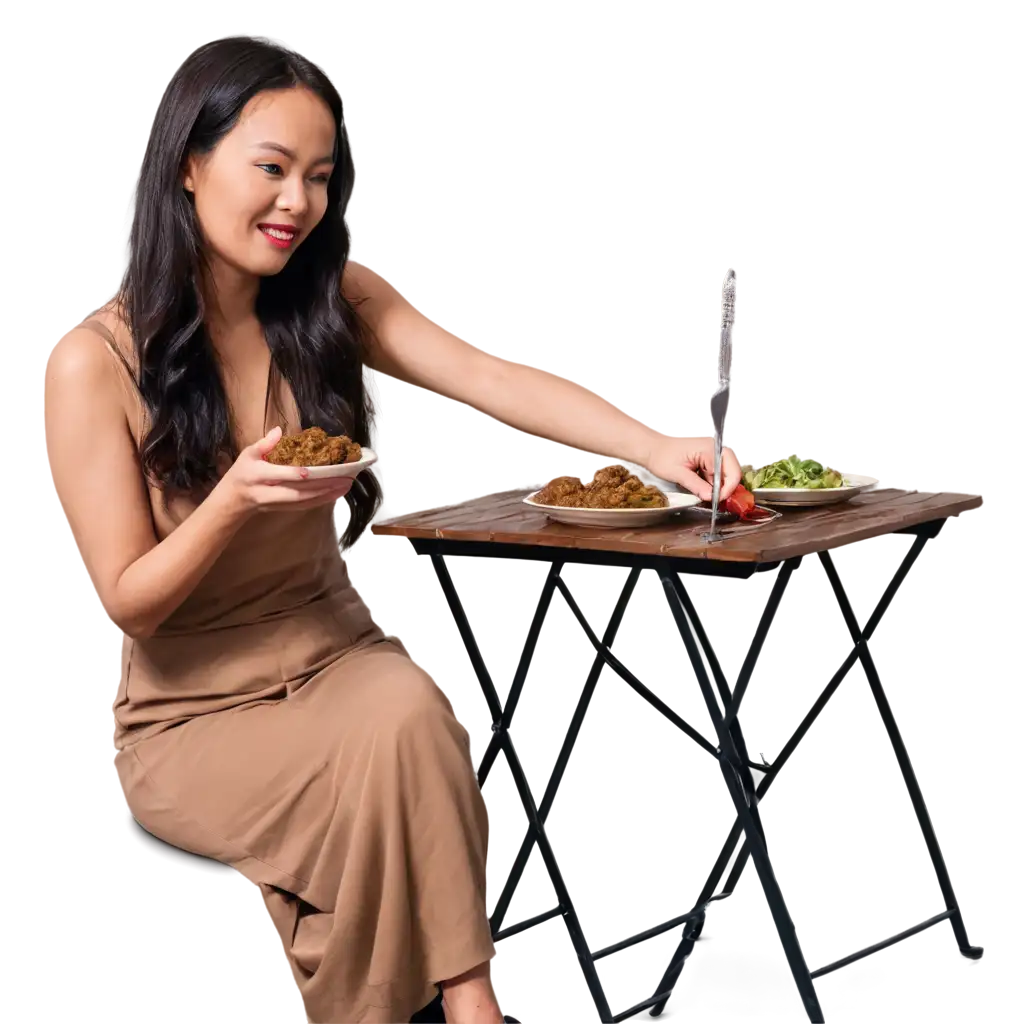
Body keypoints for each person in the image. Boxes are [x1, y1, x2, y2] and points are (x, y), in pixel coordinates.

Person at [43, 30, 741, 1024]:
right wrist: (235, 499)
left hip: (333, 659)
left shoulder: (333, 301)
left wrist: (653, 445)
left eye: (318, 177)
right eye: (271, 168)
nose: (297, 203)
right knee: (395, 757)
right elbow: (130, 601)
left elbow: (489, 377)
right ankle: (468, 1009)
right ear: (191, 166)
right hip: (195, 715)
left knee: (402, 709)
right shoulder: (93, 362)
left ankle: (465, 1006)